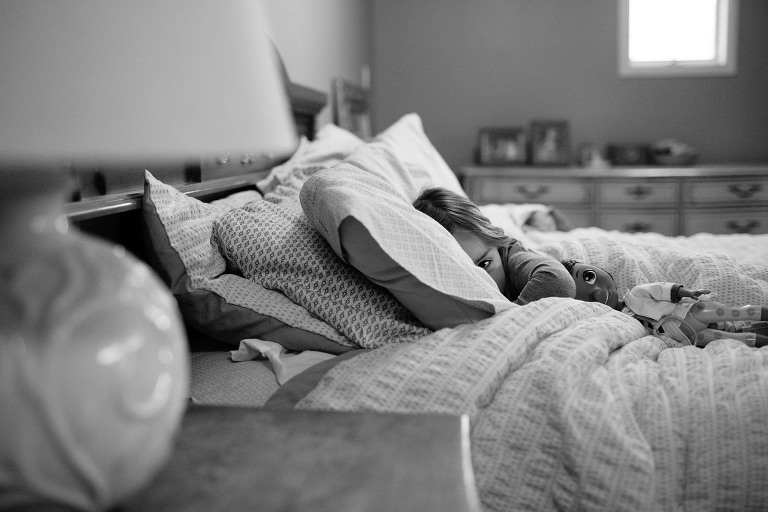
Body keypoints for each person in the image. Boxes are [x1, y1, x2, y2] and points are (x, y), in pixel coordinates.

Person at [413, 187, 575, 305]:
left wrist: (508, 317)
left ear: (495, 240)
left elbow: (559, 281)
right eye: (463, 275)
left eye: (484, 264)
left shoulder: (514, 259)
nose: (483, 284)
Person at [562, 259, 768, 348]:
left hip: (685, 313)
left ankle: (756, 314)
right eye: (582, 297)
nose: (597, 293)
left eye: (589, 277)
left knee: (729, 313)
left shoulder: (636, 294)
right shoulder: (617, 321)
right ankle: (756, 338)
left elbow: (661, 289)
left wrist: (685, 292)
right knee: (725, 338)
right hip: (682, 334)